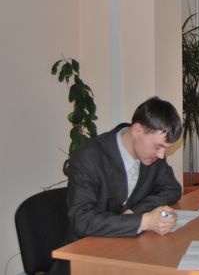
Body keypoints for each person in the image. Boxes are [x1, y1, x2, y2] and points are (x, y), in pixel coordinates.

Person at [67, 96, 183, 241]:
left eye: (165, 149)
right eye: (158, 146)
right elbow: (82, 220)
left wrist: (135, 212)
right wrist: (144, 221)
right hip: (87, 247)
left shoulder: (153, 156)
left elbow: (172, 189)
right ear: (137, 130)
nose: (161, 155)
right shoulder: (88, 157)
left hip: (128, 243)